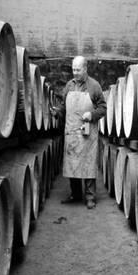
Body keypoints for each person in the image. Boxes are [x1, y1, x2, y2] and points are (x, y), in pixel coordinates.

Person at [50, 55, 106, 209]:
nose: (75, 72)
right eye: (73, 69)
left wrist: (92, 115)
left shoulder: (94, 86)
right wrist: (57, 112)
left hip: (87, 132)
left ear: (85, 69)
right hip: (71, 132)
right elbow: (63, 106)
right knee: (72, 164)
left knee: (87, 164)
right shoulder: (68, 85)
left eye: (78, 70)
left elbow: (103, 108)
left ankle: (90, 197)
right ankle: (75, 194)